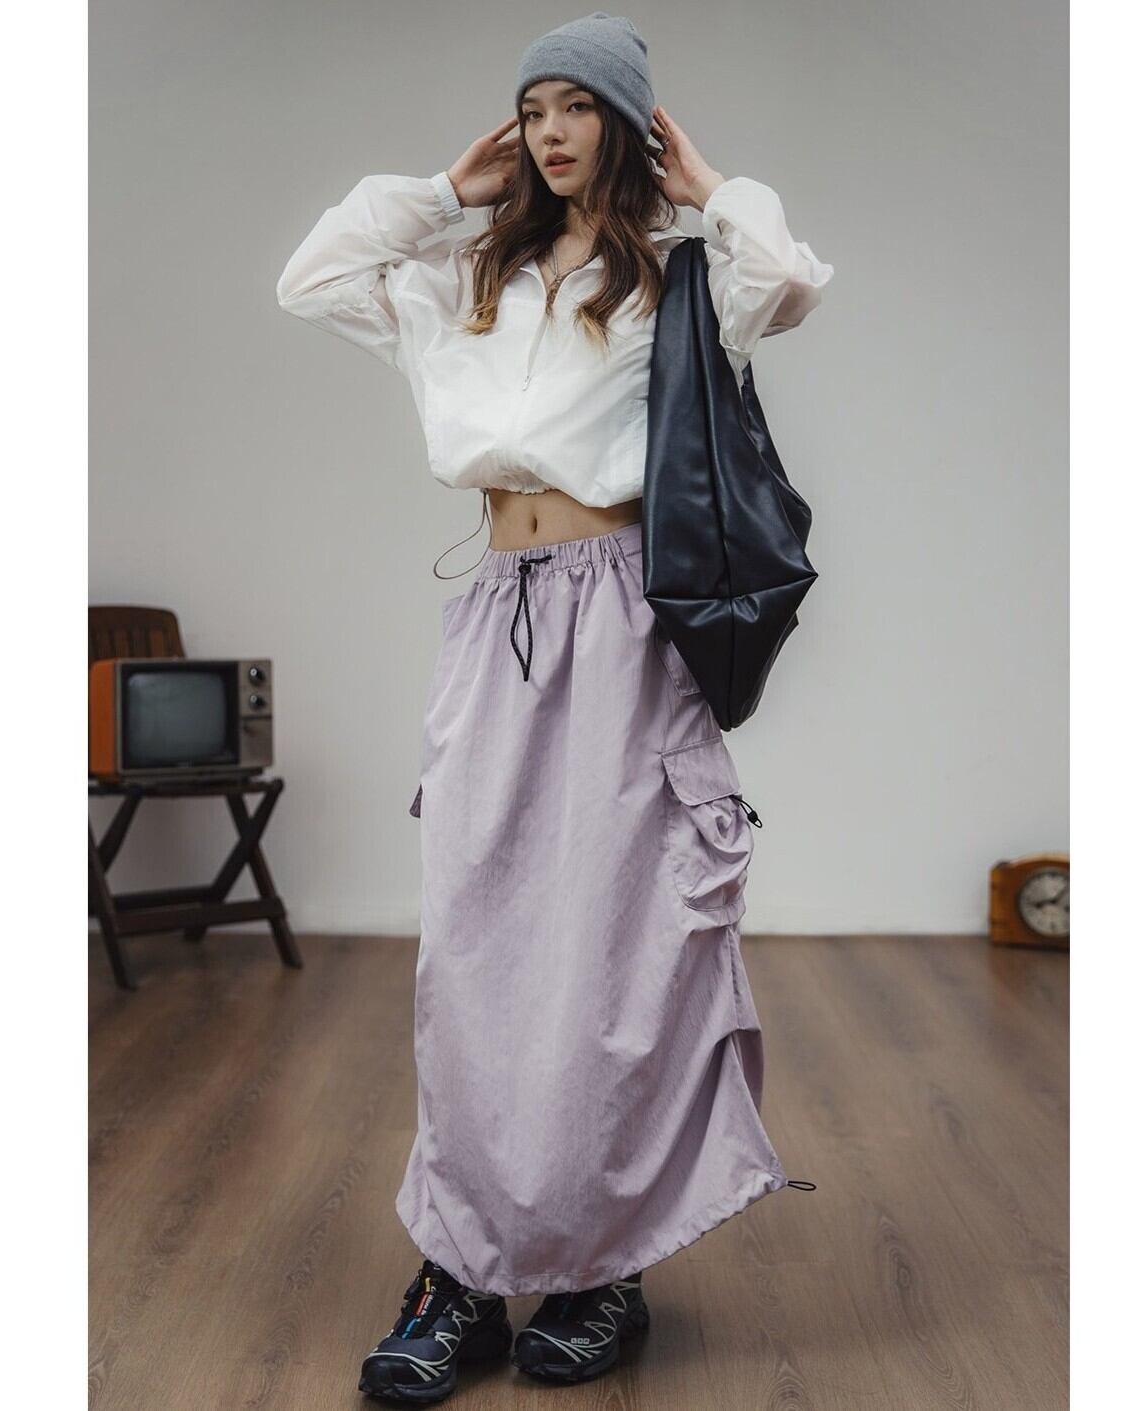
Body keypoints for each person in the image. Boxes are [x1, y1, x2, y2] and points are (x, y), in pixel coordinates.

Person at [276, 11, 833, 1403]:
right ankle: (460, 1275)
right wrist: (440, 192)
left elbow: (790, 278)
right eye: (534, 108)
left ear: (628, 125)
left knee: (612, 961)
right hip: (499, 616)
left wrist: (709, 187)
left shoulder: (678, 283)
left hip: (625, 625)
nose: (550, 132)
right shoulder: (467, 275)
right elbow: (313, 276)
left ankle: (600, 1271)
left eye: (579, 105)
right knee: (473, 956)